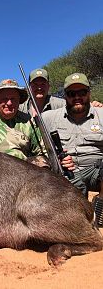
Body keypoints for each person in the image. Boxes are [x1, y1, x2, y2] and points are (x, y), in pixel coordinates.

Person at [42, 73, 103, 210]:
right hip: (67, 173)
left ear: (89, 93)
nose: (77, 97)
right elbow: (25, 124)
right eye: (71, 93)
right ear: (65, 96)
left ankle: (100, 206)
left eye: (82, 92)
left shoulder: (101, 114)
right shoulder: (47, 117)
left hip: (97, 171)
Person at [19, 68, 102, 117]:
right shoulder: (20, 107)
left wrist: (93, 105)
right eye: (35, 84)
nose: (39, 87)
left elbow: (77, 105)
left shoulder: (59, 103)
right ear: (29, 87)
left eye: (43, 84)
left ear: (48, 86)